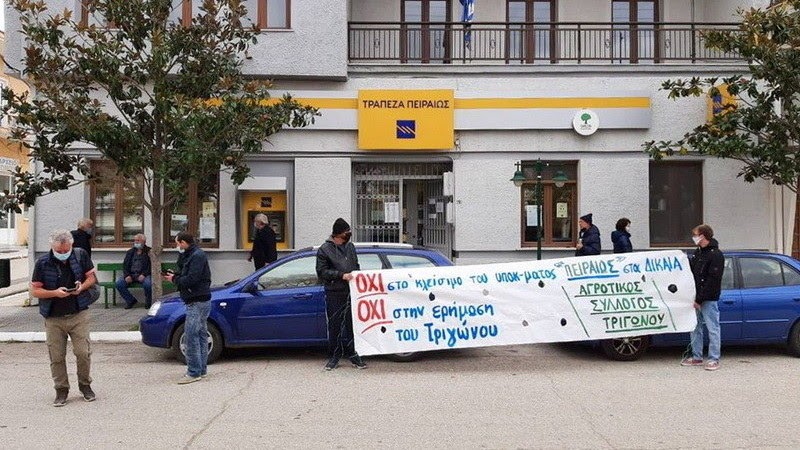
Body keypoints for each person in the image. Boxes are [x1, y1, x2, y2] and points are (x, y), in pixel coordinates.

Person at [30, 229, 98, 406]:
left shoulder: (80, 255)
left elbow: (91, 278)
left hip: (78, 313)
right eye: (59, 251)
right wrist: (54, 293)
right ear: (52, 247)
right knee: (56, 356)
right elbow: (35, 290)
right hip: (53, 317)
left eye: (66, 250)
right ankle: (61, 390)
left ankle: (85, 385)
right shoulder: (42, 262)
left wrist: (81, 287)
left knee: (83, 353)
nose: (62, 253)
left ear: (71, 245)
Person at [316, 218, 367, 371]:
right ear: (337, 234)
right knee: (335, 326)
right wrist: (341, 275)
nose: (348, 235)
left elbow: (356, 265)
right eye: (346, 233)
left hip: (352, 292)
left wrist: (358, 276)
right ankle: (334, 356)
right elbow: (322, 272)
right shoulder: (325, 249)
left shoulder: (350, 247)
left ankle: (353, 354)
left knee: (352, 325)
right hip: (335, 292)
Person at [164, 232, 212, 384]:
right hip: (197, 299)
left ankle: (193, 372)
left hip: (196, 300)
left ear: (184, 242)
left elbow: (192, 279)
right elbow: (184, 271)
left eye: (178, 243)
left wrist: (174, 279)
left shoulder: (197, 255)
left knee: (191, 336)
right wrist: (176, 273)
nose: (177, 246)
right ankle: (201, 369)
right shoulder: (190, 254)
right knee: (201, 334)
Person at [681, 224, 725, 371]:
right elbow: (692, 272)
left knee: (713, 328)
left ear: (703, 236)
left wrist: (700, 299)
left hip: (708, 299)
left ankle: (714, 359)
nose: (693, 237)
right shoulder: (698, 252)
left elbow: (713, 280)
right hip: (695, 298)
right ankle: (697, 356)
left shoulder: (716, 255)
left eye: (695, 235)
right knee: (695, 327)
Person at [116, 234, 153, 309]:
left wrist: (144, 274)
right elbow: (125, 265)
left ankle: (148, 302)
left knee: (148, 284)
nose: (136, 242)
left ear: (144, 241)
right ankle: (130, 301)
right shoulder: (130, 252)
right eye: (135, 240)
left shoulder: (149, 251)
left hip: (144, 275)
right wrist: (127, 275)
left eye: (138, 240)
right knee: (119, 283)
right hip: (131, 275)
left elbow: (151, 265)